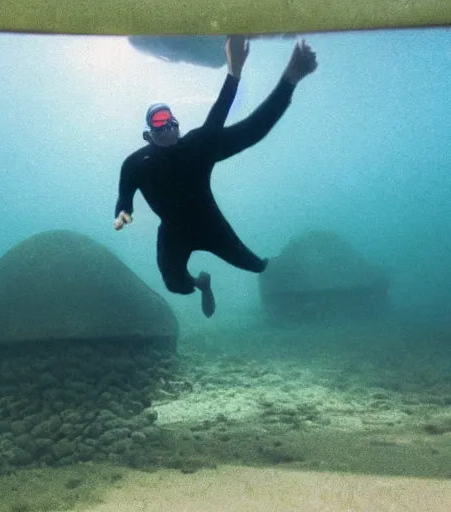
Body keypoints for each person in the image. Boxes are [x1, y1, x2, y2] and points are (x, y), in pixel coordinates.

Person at [114, 36, 317, 318]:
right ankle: (203, 284)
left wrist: (288, 80)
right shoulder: (135, 164)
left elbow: (254, 127)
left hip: (211, 226)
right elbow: (124, 199)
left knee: (255, 265)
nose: (169, 126)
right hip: (173, 233)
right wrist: (123, 214)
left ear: (178, 127)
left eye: (172, 121)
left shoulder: (198, 147)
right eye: (160, 122)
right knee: (175, 285)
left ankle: (273, 268)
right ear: (148, 133)